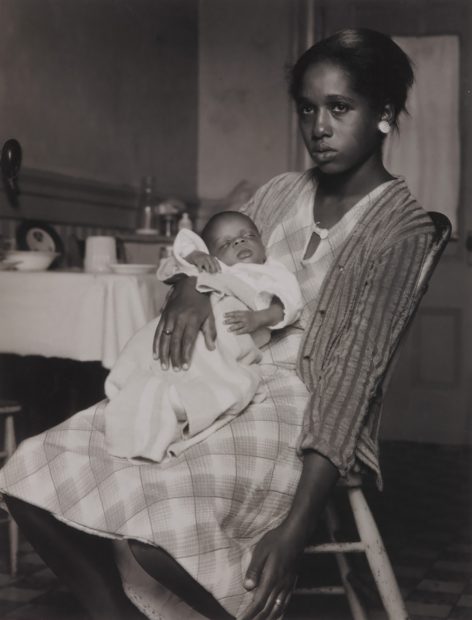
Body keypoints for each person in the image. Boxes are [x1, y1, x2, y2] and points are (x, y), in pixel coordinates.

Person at [0, 28, 436, 620]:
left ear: (384, 113)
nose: (319, 127)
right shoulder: (282, 191)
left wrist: (296, 528)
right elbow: (196, 252)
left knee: (155, 530)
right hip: (210, 372)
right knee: (29, 471)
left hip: (298, 403)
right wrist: (188, 289)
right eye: (307, 108)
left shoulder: (400, 229)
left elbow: (352, 381)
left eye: (339, 107)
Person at [104, 211, 303, 462]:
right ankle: (133, 382)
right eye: (225, 243)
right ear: (213, 254)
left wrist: (259, 318)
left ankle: (179, 402)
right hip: (190, 322)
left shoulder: (272, 272)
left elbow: (288, 305)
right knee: (151, 344)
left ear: (263, 244)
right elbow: (174, 262)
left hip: (230, 334)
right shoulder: (214, 268)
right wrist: (196, 258)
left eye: (248, 236)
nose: (239, 242)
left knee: (219, 373)